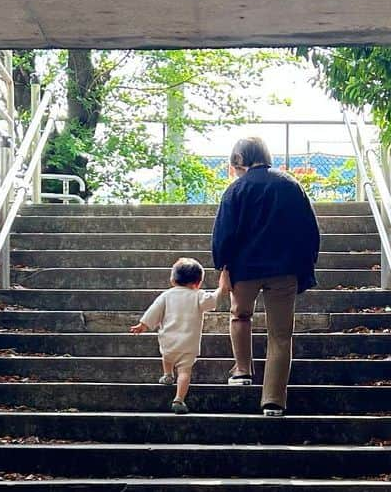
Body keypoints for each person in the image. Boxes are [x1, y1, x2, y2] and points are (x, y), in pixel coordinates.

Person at [211, 136, 321, 417]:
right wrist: (304, 267)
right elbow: (310, 231)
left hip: (244, 270)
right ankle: (273, 401)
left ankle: (243, 370)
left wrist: (223, 266)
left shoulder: (235, 190)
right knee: (281, 336)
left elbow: (223, 234)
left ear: (239, 160)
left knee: (240, 315)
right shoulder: (291, 186)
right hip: (284, 270)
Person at [131, 258, 223, 415]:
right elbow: (212, 300)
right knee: (184, 372)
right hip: (189, 344)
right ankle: (179, 399)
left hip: (168, 341)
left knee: (167, 357)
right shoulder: (198, 295)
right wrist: (222, 288)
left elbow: (154, 311)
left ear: (173, 279)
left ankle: (167, 374)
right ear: (198, 282)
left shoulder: (166, 295)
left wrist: (143, 325)